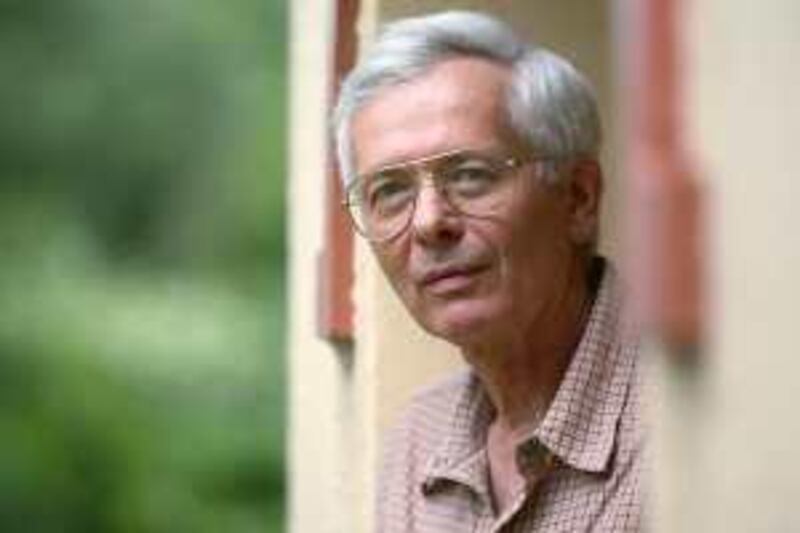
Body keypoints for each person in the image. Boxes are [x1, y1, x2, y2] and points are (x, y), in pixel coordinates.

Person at [333, 10, 644, 532]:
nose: (430, 223)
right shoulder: (419, 441)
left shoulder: (687, 421)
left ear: (578, 198)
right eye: (390, 191)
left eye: (472, 175)